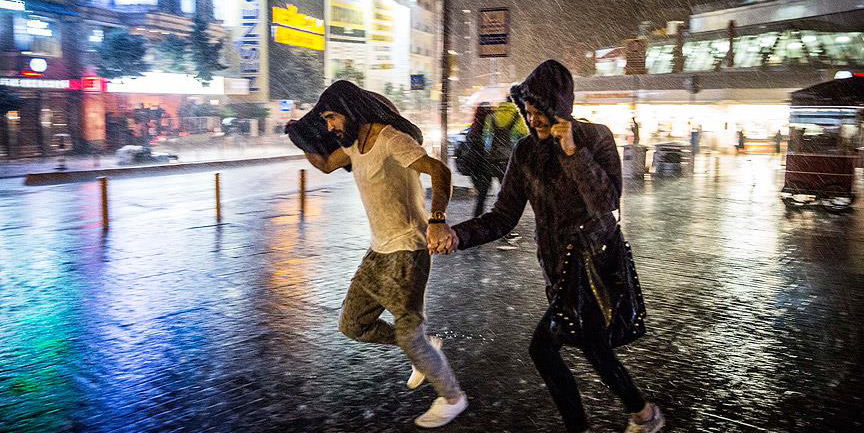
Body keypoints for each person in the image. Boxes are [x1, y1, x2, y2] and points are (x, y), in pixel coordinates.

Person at [438, 60, 664, 433]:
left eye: (539, 112)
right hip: (559, 271)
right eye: (528, 112)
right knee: (592, 347)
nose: (533, 120)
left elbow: (606, 201)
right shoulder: (525, 152)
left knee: (544, 349)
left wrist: (573, 152)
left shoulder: (597, 138)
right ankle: (643, 415)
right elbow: (503, 217)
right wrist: (458, 236)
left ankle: (591, 424)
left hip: (595, 266)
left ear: (560, 110)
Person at [287, 81, 467, 429]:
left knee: (409, 335)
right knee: (353, 325)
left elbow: (439, 171)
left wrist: (437, 221)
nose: (330, 126)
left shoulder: (390, 139)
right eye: (326, 120)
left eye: (332, 118)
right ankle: (425, 348)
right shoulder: (354, 144)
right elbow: (325, 165)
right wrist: (298, 137)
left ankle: (452, 397)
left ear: (350, 111)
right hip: (378, 251)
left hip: (407, 252)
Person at [473, 98, 528, 217]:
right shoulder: (517, 117)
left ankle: (476, 217)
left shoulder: (492, 116)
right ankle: (506, 220)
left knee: (482, 193)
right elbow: (524, 136)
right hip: (507, 160)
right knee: (507, 194)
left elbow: (486, 137)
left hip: (490, 159)